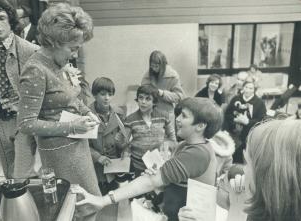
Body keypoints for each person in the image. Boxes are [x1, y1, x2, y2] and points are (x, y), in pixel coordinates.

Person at [73, 97, 223, 221]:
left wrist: (103, 200)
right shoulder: (186, 145)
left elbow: (151, 181)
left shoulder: (197, 152)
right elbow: (169, 182)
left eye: (183, 116)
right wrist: (161, 178)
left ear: (201, 126)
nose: (177, 119)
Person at [16, 3, 101, 220]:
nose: (74, 55)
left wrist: (85, 111)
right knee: (73, 209)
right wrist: (72, 126)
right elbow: (25, 123)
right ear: (54, 42)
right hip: (59, 154)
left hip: (78, 145)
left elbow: (69, 96)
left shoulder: (57, 62)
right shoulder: (36, 69)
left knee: (89, 203)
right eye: (72, 48)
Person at [0, 0, 39, 178]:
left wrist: (23, 104)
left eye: (1, 18)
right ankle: (19, 205)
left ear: (10, 19)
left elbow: (45, 90)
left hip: (22, 121)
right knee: (10, 174)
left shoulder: (31, 51)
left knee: (22, 173)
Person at [116, 84, 176, 176]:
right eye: (141, 98)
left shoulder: (164, 116)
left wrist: (166, 147)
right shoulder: (130, 119)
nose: (143, 102)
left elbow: (173, 140)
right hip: (138, 165)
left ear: (154, 102)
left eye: (148, 99)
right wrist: (123, 143)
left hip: (158, 164)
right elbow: (122, 143)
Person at [89, 77, 125, 195]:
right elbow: (82, 144)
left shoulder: (118, 113)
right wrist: (98, 157)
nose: (107, 98)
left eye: (110, 94)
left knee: (114, 197)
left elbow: (124, 138)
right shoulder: (87, 115)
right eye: (102, 94)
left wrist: (124, 149)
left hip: (114, 167)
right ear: (94, 95)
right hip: (95, 168)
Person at [224, 78, 266, 163]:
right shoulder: (236, 99)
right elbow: (227, 114)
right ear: (243, 88)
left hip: (250, 134)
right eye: (246, 87)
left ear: (254, 90)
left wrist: (247, 122)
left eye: (251, 88)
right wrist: (235, 121)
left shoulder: (260, 102)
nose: (248, 90)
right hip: (234, 132)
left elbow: (262, 120)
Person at [141, 50, 185, 127]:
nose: (154, 69)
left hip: (166, 114)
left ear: (163, 65)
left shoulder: (172, 76)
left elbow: (179, 97)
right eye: (152, 66)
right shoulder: (147, 75)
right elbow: (142, 92)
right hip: (150, 114)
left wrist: (162, 93)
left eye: (156, 66)